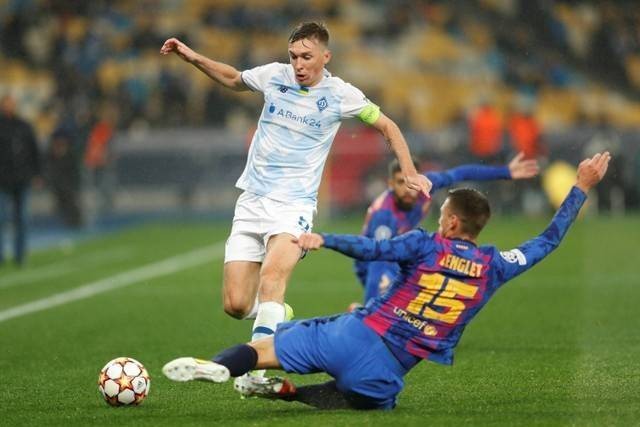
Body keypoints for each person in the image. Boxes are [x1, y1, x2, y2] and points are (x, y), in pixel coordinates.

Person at [161, 151, 610, 410]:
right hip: (386, 373)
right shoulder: (496, 264)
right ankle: (293, 394)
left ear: (452, 223)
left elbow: (375, 251)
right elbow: (548, 240)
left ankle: (224, 365)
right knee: (365, 400)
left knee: (267, 347)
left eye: (441, 217)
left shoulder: (422, 243)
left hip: (354, 333)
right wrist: (581, 187)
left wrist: (324, 239)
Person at [159, 21, 431, 377]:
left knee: (273, 279)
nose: (298, 64)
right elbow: (233, 79)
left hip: (294, 206)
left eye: (306, 57)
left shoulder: (340, 94)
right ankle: (277, 314)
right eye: (293, 56)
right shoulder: (275, 76)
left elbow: (388, 126)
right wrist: (192, 58)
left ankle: (253, 371)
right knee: (236, 305)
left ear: (325, 56)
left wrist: (409, 171)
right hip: (252, 201)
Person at [355, 152, 540, 305]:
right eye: (400, 182)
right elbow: (376, 260)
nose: (408, 189)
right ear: (390, 184)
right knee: (394, 308)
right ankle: (362, 312)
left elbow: (462, 173)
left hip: (398, 252)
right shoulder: (384, 216)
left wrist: (505, 172)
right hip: (373, 261)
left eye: (410, 180)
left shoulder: (426, 185)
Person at [0, 94, 42, 267]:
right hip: (2, 180)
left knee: (22, 219)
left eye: (11, 103)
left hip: (22, 179)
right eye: (6, 104)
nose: (9, 106)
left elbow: (34, 150)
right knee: (1, 219)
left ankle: (20, 255)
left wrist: (37, 174)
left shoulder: (24, 126)